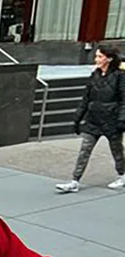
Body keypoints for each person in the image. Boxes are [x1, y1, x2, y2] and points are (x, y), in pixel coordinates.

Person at [56, 44, 125, 193]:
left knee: (116, 150)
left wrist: (121, 120)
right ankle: (75, 180)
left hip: (111, 120)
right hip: (94, 119)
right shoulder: (95, 75)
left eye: (100, 56)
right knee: (84, 151)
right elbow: (86, 98)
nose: (96, 59)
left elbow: (124, 100)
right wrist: (77, 118)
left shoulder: (120, 77)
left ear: (109, 59)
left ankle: (122, 175)